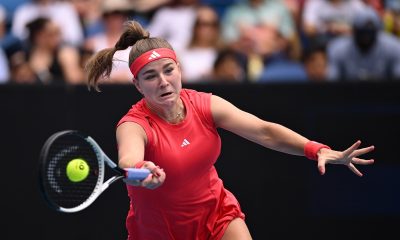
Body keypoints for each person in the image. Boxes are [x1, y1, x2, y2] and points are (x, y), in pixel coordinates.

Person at [84, 20, 375, 240]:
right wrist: (141, 170)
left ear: (179, 70)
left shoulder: (204, 105)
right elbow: (128, 161)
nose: (163, 82)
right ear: (137, 85)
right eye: (150, 76)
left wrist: (316, 149)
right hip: (159, 231)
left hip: (217, 214)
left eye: (168, 70)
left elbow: (265, 131)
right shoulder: (134, 124)